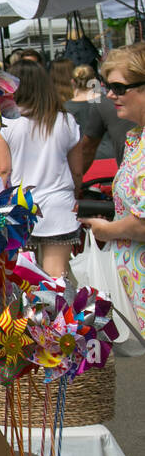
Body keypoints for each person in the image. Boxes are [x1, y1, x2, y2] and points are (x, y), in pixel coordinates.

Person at [0, 60, 82, 279]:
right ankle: (61, 313)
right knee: (56, 277)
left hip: (20, 206)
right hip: (59, 205)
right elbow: (77, 171)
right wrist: (76, 195)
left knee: (24, 276)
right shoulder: (66, 121)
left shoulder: (5, 124)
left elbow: (2, 170)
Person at [83, 43, 145, 322]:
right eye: (108, 86)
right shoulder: (136, 137)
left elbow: (142, 222)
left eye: (119, 88)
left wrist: (108, 230)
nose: (109, 95)